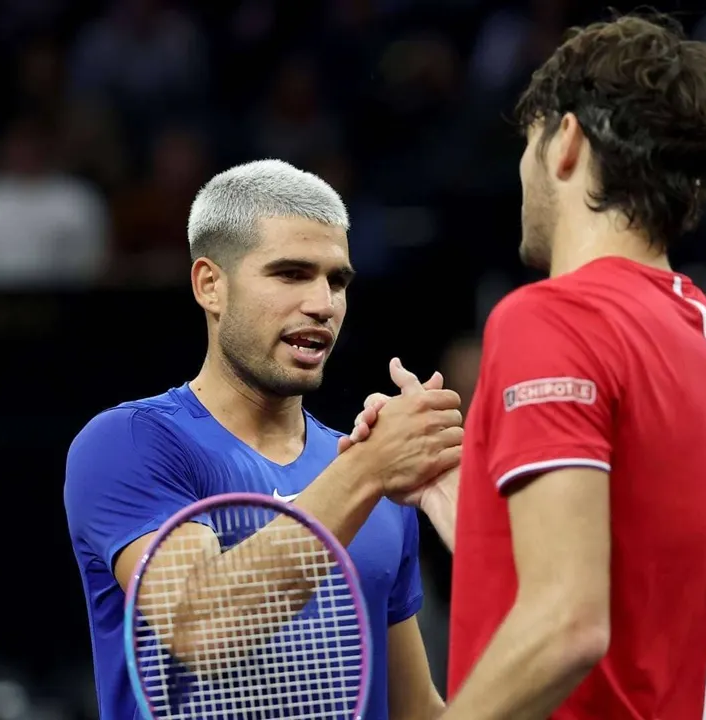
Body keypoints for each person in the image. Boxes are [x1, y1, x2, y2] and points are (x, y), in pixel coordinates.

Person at [359, 13, 706, 719]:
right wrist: (463, 499)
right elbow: (631, 584)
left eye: (527, 143)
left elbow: (568, 624)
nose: (521, 174)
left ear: (568, 142)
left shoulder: (550, 317)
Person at [63, 159, 459, 720]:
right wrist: (368, 471)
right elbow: (202, 630)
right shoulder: (129, 443)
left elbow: (418, 711)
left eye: (337, 280)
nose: (323, 304)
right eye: (291, 273)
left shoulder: (379, 484)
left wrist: (487, 538)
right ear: (210, 285)